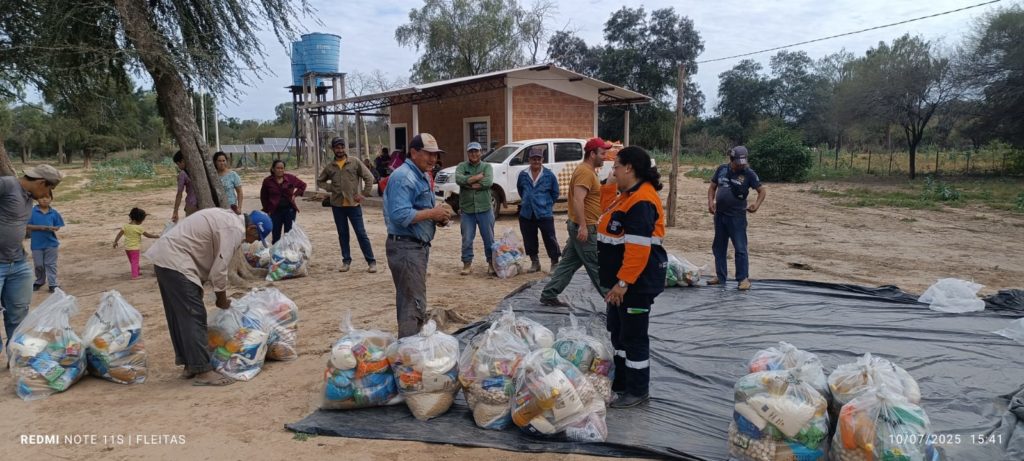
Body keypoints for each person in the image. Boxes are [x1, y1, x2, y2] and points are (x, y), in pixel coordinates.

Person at [144, 208, 272, 386]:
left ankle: (190, 365)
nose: (254, 241)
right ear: (251, 228)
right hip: (176, 262)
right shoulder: (233, 230)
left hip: (167, 259)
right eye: (257, 237)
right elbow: (220, 269)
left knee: (180, 315)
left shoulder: (229, 219)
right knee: (194, 315)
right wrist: (222, 299)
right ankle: (203, 371)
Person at [598, 146, 667, 408]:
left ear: (629, 168)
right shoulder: (626, 195)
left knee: (634, 337)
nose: (612, 170)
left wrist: (623, 283)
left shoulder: (642, 201)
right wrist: (608, 183)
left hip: (634, 285)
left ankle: (638, 390)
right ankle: (622, 381)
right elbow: (605, 214)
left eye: (615, 166)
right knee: (618, 333)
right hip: (620, 283)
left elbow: (638, 249)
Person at [383, 133, 452, 338]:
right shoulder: (405, 177)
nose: (433, 159)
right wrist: (432, 213)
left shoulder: (421, 174)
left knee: (415, 301)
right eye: (428, 154)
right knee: (411, 304)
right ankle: (408, 355)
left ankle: (411, 350)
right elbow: (400, 215)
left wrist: (437, 218)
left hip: (416, 246)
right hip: (406, 248)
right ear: (413, 152)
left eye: (435, 155)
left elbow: (418, 209)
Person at [539, 137, 612, 306]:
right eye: (602, 153)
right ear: (592, 154)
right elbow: (579, 200)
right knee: (597, 266)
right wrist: (583, 226)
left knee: (569, 263)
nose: (605, 156)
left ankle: (549, 294)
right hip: (585, 227)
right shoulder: (585, 172)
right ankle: (613, 302)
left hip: (582, 226)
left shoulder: (588, 171)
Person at [0, 164, 62, 347]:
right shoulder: (8, 184)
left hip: (17, 262)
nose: (47, 194)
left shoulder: (27, 198)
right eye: (49, 188)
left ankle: (17, 357)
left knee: (18, 313)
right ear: (41, 183)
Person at [707, 146, 767, 290]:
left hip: (737, 216)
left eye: (743, 162)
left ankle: (743, 279)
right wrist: (710, 202)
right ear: (731, 159)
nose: (741, 165)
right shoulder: (721, 169)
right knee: (719, 247)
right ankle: (720, 276)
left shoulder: (749, 174)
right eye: (738, 162)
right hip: (720, 215)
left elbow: (762, 191)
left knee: (740, 247)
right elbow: (712, 187)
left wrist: (756, 205)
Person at [317, 137, 378, 273]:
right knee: (343, 234)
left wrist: (363, 194)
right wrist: (331, 188)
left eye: (342, 147)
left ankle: (371, 261)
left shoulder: (354, 162)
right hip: (337, 206)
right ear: (333, 149)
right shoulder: (330, 166)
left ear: (345, 148)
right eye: (337, 147)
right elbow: (319, 181)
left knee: (361, 234)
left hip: (353, 205)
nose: (340, 150)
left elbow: (369, 177)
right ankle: (346, 261)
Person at [516, 148, 560, 274]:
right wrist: (527, 200)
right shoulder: (523, 174)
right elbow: (520, 189)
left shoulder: (549, 175)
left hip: (544, 213)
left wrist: (546, 204)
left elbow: (555, 193)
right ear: (529, 160)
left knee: (550, 238)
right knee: (529, 238)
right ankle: (535, 262)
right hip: (527, 213)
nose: (536, 161)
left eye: (538, 158)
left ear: (542, 160)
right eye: (533, 158)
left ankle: (554, 262)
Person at [455, 142, 495, 276]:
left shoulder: (487, 166)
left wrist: (468, 183)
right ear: (468, 153)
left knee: (489, 238)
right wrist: (477, 178)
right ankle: (467, 264)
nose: (474, 154)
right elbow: (458, 179)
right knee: (466, 238)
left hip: (485, 209)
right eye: (471, 151)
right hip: (467, 210)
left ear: (481, 152)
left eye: (476, 151)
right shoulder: (461, 166)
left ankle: (491, 263)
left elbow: (488, 182)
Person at [260, 160, 307, 244]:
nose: (280, 170)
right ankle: (276, 255)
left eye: (282, 168)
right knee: (276, 235)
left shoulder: (290, 178)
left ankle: (288, 255)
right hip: (275, 212)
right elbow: (263, 197)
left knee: (288, 236)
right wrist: (267, 210)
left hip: (289, 211)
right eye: (278, 168)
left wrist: (295, 194)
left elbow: (303, 185)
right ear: (273, 169)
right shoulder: (267, 181)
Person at [26, 193, 65, 292]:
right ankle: (40, 280)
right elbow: (27, 225)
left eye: (47, 197)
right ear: (37, 199)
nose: (44, 200)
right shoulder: (32, 212)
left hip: (51, 243)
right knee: (39, 264)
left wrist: (53, 228)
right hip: (37, 244)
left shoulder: (54, 213)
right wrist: (41, 227)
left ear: (51, 199)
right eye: (41, 197)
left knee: (51, 264)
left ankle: (53, 284)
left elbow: (58, 226)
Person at [113, 207, 161, 280]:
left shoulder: (125, 226)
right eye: (142, 220)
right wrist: (156, 236)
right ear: (138, 220)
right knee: (135, 262)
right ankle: (135, 276)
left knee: (132, 261)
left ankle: (137, 271)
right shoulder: (139, 228)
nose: (142, 222)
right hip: (134, 248)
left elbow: (119, 234)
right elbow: (147, 235)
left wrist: (115, 242)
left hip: (127, 248)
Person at [172, 151, 198, 222]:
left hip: (191, 205)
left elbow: (179, 193)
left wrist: (175, 211)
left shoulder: (182, 174)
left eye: (178, 164)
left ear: (182, 161)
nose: (179, 167)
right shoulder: (200, 170)